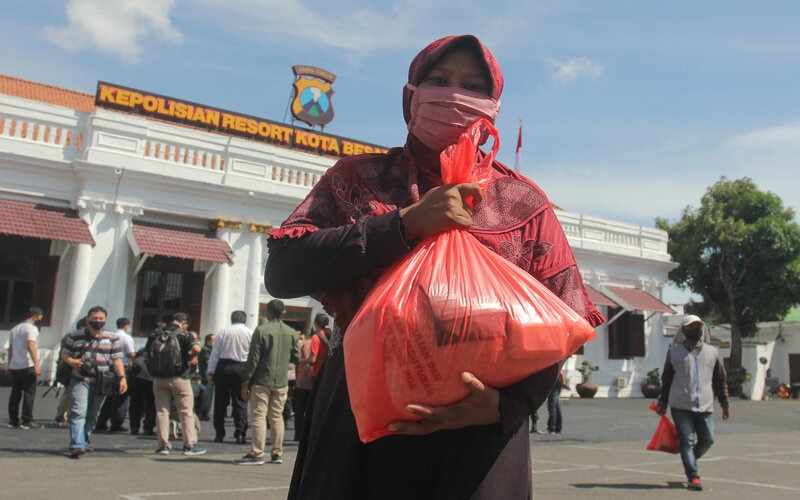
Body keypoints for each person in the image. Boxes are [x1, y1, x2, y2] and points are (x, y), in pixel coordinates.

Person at [264, 34, 604, 499]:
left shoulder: (524, 204)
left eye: (472, 86)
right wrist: (401, 226)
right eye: (439, 81)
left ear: (493, 107)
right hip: (361, 421)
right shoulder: (359, 179)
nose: (454, 95)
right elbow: (283, 270)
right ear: (411, 97)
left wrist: (506, 405)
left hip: (477, 440)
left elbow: (570, 322)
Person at [657, 314, 730, 491]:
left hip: (705, 404)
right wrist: (662, 403)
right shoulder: (674, 352)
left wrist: (725, 403)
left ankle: (689, 458)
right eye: (691, 327)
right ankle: (693, 476)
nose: (696, 330)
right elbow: (666, 379)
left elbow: (720, 379)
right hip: (681, 404)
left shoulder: (712, 352)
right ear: (683, 331)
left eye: (698, 326)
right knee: (687, 441)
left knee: (708, 439)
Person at [235, 299, 300, 465]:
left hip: (262, 380)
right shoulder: (292, 332)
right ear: (283, 312)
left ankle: (257, 452)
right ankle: (277, 452)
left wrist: (246, 382)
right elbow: (296, 357)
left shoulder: (261, 330)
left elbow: (253, 359)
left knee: (258, 416)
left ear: (267, 312)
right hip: (281, 380)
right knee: (276, 417)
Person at [61, 306, 128, 458]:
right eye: (95, 318)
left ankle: (83, 440)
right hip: (80, 378)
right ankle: (77, 444)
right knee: (79, 411)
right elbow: (65, 354)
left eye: (101, 319)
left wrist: (122, 378)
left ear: (105, 320)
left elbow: (117, 360)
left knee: (93, 413)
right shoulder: (75, 336)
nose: (98, 321)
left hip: (101, 381)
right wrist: (72, 361)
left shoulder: (112, 338)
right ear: (88, 319)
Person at [144, 312, 206, 456]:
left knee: (162, 411)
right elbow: (197, 349)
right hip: (180, 377)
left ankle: (163, 445)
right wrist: (191, 357)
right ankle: (189, 444)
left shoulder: (156, 333)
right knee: (185, 411)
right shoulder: (184, 334)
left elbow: (147, 354)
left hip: (159, 377)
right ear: (184, 322)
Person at [208, 310, 252, 444]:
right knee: (240, 401)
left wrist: (211, 373)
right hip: (242, 367)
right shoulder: (250, 333)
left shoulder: (223, 332)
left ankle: (219, 433)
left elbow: (215, 353)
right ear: (245, 320)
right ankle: (240, 433)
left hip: (224, 366)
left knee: (220, 401)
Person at [95, 317, 136, 432]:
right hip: (122, 367)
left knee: (109, 396)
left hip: (109, 367)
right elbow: (131, 353)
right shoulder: (126, 338)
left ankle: (101, 420)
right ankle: (117, 422)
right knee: (122, 396)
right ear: (127, 326)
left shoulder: (110, 336)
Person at [7, 307, 44, 429]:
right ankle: (27, 419)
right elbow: (31, 345)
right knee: (29, 392)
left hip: (15, 365)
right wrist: (36, 364)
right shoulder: (31, 329)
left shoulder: (15, 329)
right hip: (27, 364)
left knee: (15, 393)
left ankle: (13, 420)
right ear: (35, 315)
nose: (40, 319)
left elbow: (11, 348)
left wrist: (10, 363)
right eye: (40, 316)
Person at [54, 318, 86, 425]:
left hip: (65, 366)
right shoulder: (78, 337)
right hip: (72, 367)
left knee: (69, 391)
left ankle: (64, 413)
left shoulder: (68, 336)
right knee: (70, 392)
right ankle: (62, 414)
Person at [128, 347, 155, 436]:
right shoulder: (161, 348)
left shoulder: (142, 349)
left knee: (135, 402)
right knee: (151, 404)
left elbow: (132, 361)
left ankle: (134, 427)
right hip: (151, 377)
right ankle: (148, 428)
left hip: (137, 376)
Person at [292, 331, 312, 442]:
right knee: (310, 409)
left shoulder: (303, 344)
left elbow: (296, 361)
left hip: (301, 378)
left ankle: (298, 433)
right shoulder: (321, 340)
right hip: (313, 379)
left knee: (300, 409)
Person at [544, 370, 568, 434]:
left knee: (552, 406)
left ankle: (552, 428)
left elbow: (561, 373)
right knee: (556, 406)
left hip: (554, 382)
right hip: (557, 383)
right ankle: (558, 428)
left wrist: (563, 383)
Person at [197, 333, 215, 420]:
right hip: (206, 375)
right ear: (208, 340)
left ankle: (206, 413)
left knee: (210, 395)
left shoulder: (211, 349)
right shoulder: (204, 349)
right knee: (206, 396)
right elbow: (209, 361)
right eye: (213, 340)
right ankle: (203, 413)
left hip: (211, 374)